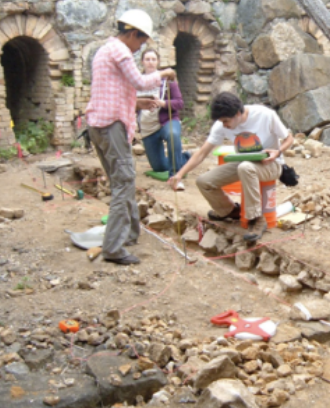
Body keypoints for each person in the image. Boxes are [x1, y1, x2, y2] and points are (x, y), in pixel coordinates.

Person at [86, 9, 176, 265]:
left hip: (100, 124)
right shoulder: (120, 50)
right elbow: (140, 81)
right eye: (141, 41)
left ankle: (130, 233)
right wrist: (164, 73)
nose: (140, 49)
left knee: (121, 180)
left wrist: (138, 104)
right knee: (123, 183)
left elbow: (112, 93)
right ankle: (114, 248)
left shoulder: (106, 50)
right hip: (111, 127)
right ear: (133, 34)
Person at [168, 92, 293, 241]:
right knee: (204, 182)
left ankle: (256, 219)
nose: (224, 125)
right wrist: (179, 175)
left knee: (246, 167)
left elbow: (289, 138)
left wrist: (277, 151)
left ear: (238, 113)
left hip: (271, 164)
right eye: (221, 121)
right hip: (243, 163)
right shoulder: (221, 125)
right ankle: (230, 211)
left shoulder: (265, 115)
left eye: (226, 121)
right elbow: (202, 153)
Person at [137, 48, 190, 190]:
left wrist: (163, 104)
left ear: (158, 62)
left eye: (153, 59)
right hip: (148, 127)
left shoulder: (167, 81)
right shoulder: (137, 82)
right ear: (142, 62)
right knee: (159, 167)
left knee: (172, 134)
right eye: (147, 59)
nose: (150, 62)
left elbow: (179, 102)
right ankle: (185, 158)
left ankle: (175, 177)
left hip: (167, 120)